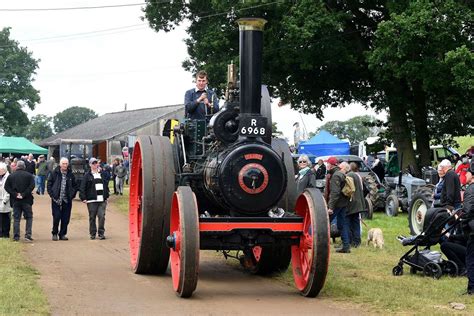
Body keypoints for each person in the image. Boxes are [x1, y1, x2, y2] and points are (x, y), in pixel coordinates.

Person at [4, 160, 35, 242]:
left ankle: (16, 236)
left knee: (16, 218)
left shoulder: (11, 176)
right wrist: (24, 194)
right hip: (27, 200)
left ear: (17, 166)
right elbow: (32, 186)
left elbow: (6, 187)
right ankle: (28, 235)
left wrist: (15, 194)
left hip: (15, 200)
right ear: (24, 166)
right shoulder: (29, 176)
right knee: (29, 217)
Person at [47, 158, 77, 241]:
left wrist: (72, 195)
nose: (65, 165)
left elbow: (75, 185)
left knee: (66, 218)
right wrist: (52, 195)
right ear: (60, 164)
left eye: (66, 163)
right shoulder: (55, 173)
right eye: (63, 163)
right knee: (56, 217)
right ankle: (54, 233)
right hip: (56, 199)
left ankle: (62, 234)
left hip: (67, 199)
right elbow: (49, 184)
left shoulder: (70, 174)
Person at [80, 158, 110, 240]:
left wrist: (106, 196)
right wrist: (83, 197)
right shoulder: (87, 176)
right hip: (92, 200)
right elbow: (82, 187)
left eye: (96, 163)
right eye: (93, 163)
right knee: (92, 217)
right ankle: (92, 233)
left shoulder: (102, 174)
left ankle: (101, 233)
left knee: (102, 216)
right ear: (90, 165)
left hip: (102, 200)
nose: (95, 165)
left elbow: (106, 184)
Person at [325, 157, 351, 253]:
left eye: (327, 163)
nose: (326, 165)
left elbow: (335, 193)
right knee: (341, 224)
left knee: (325, 224)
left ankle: (322, 245)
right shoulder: (341, 173)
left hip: (337, 204)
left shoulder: (336, 175)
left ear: (331, 165)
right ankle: (346, 246)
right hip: (343, 203)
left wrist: (331, 207)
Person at [346, 162, 365, 248]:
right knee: (356, 223)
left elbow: (349, 190)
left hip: (352, 203)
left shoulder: (349, 175)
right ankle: (357, 242)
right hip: (358, 202)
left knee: (349, 223)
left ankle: (350, 241)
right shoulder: (357, 176)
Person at [462, 161, 474, 295]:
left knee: (471, 259)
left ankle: (472, 288)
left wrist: (464, 226)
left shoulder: (471, 189)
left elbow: (467, 211)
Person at [0, 163, 12, 238]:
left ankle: (6, 233)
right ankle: (1, 233)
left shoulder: (8, 177)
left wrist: (5, 200)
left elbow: (8, 190)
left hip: (5, 200)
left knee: (6, 218)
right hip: (0, 199)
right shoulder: (1, 177)